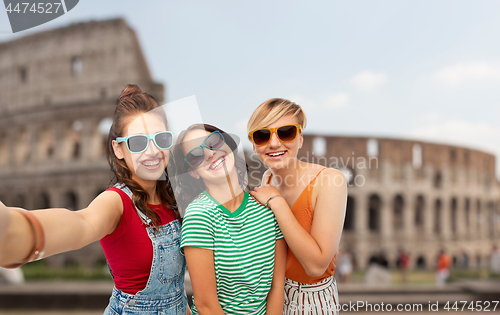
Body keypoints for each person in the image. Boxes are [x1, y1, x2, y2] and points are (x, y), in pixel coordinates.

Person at [0, 84, 188, 314]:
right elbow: (81, 224)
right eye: (138, 142)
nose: (152, 150)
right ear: (118, 149)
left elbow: (175, 290)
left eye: (161, 138)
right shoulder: (116, 202)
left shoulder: (174, 201)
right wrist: (16, 231)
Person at [173, 123, 287, 315]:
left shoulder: (268, 208)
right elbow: (206, 305)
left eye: (213, 142)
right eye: (195, 155)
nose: (210, 153)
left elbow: (277, 287)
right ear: (193, 171)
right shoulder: (199, 216)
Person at [247, 98, 347, 315]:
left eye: (286, 132)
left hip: (311, 298)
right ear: (254, 145)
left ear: (300, 138)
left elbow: (316, 265)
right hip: (269, 297)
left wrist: (277, 203)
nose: (273, 143)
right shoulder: (268, 178)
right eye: (262, 135)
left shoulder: (330, 180)